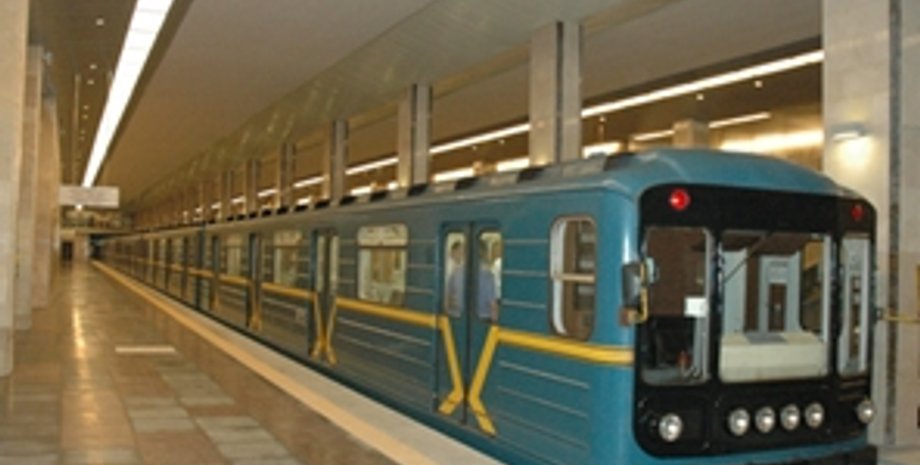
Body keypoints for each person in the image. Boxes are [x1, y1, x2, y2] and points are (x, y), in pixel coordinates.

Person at [444, 240, 465, 317]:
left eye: (462, 252)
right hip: (450, 304)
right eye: (459, 252)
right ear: (453, 252)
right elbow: (446, 287)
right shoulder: (448, 267)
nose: (461, 254)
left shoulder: (462, 266)